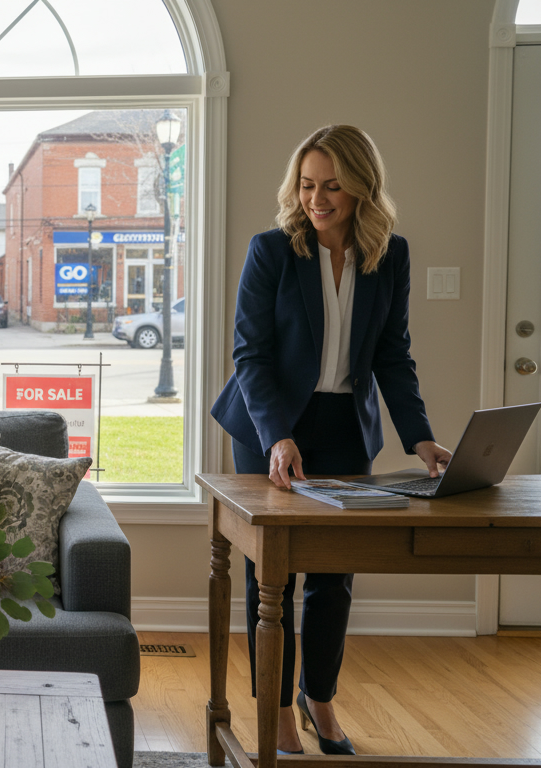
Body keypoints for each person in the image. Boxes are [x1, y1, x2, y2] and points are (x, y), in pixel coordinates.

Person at [209, 125, 453, 755]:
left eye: (333, 187)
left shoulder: (389, 254)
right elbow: (251, 357)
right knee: (273, 581)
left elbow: (393, 357)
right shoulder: (272, 251)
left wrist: (421, 440)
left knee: (334, 576)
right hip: (270, 426)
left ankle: (318, 700)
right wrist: (278, 437)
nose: (317, 198)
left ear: (363, 189)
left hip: (346, 425)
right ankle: (276, 713)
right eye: (307, 184)